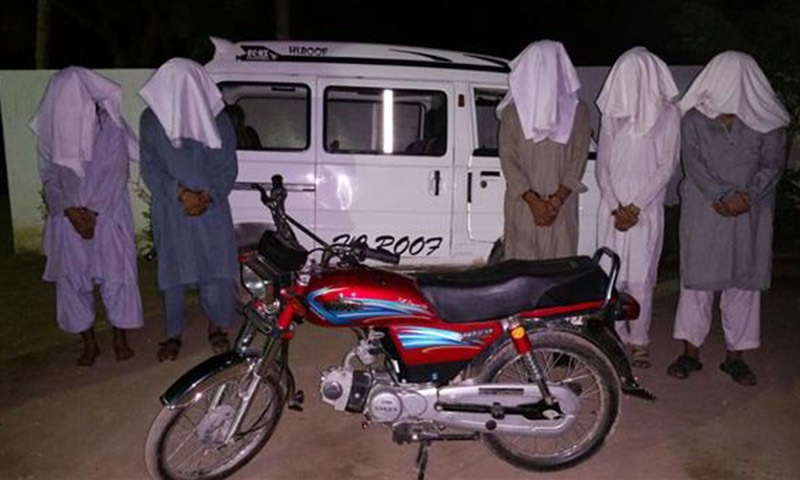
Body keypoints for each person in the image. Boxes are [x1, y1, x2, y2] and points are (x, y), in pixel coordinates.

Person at [667, 51, 789, 386]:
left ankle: (736, 358)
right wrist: (722, 196)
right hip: (706, 210)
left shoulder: (770, 119)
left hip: (751, 212)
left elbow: (772, 165)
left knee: (743, 285)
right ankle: (690, 354)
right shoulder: (694, 118)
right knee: (697, 285)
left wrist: (746, 196)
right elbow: (694, 165)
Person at [31, 67, 144, 366]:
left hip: (106, 214)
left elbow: (116, 171)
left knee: (116, 275)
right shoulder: (49, 132)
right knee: (72, 281)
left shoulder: (111, 127)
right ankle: (89, 342)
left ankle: (120, 337)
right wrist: (69, 209)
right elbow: (49, 176)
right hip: (66, 218)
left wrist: (92, 212)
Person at [139, 58, 239, 361]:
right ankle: (173, 334)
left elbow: (227, 166)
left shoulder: (218, 118)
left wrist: (206, 196)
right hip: (172, 210)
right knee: (174, 271)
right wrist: (181, 194)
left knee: (217, 270)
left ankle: (217, 327)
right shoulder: (151, 119)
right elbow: (150, 166)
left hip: (212, 208)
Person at [594, 47, 682, 369]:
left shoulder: (669, 114)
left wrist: (635, 207)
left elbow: (666, 166)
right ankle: (613, 337)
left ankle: (639, 340)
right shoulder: (611, 114)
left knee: (641, 278)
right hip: (613, 208)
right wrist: (618, 207)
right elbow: (603, 166)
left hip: (645, 208)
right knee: (612, 277)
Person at [497, 40, 592, 260]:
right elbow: (508, 160)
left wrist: (557, 199)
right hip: (523, 206)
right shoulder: (513, 113)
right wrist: (533, 200)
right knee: (522, 274)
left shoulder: (578, 112)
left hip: (561, 208)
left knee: (557, 271)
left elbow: (578, 160)